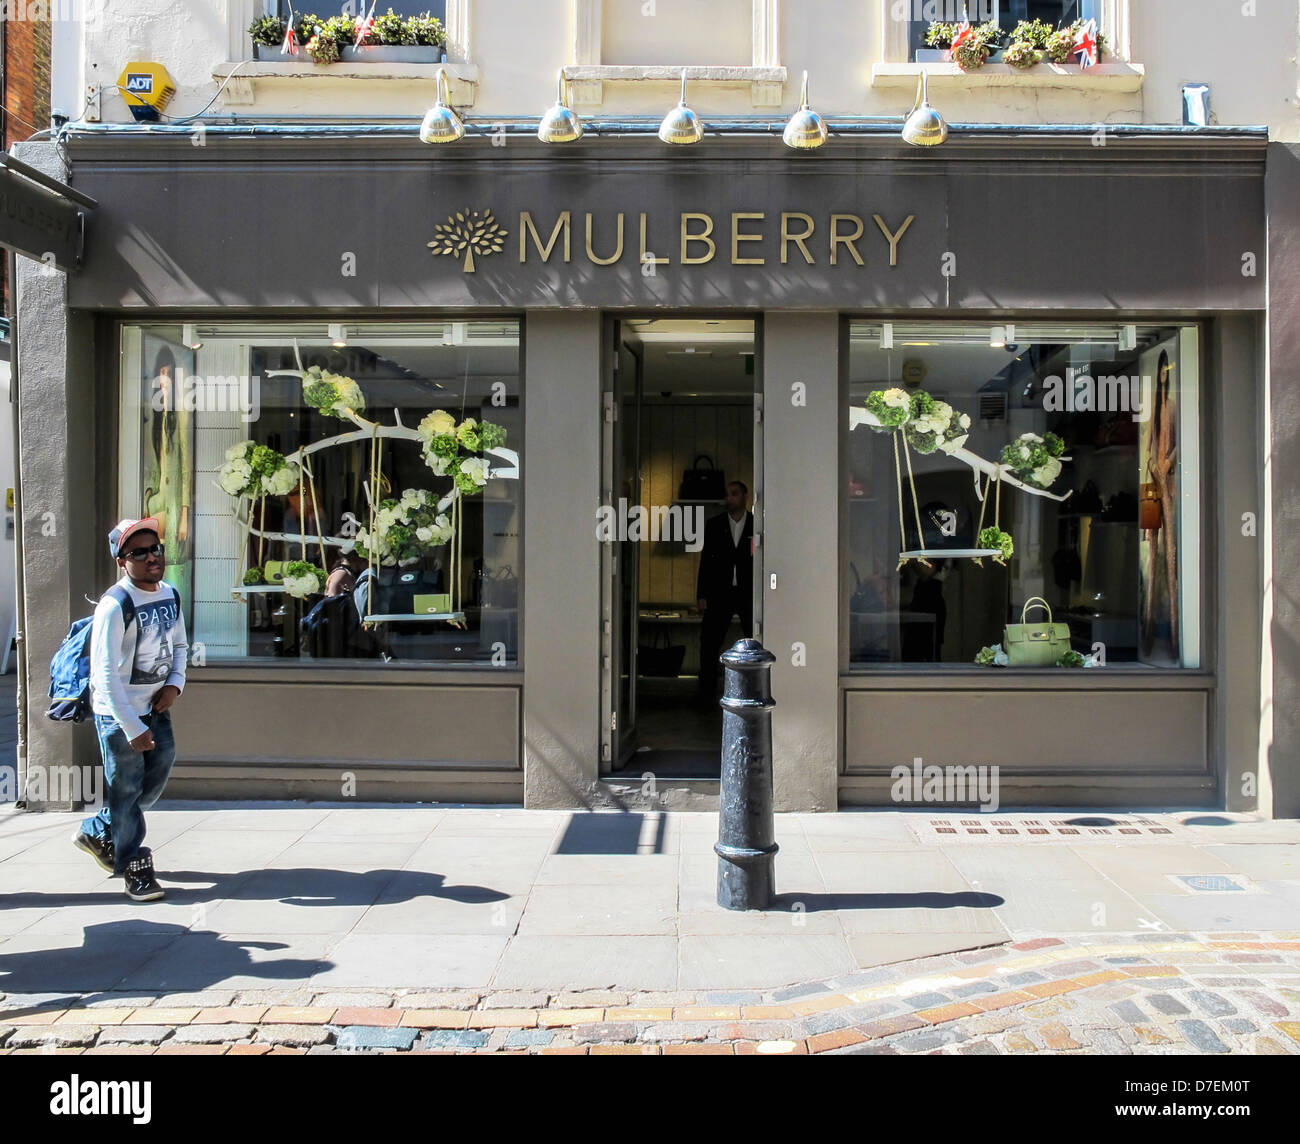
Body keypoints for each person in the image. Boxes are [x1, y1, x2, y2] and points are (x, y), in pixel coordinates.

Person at [72, 518, 188, 902]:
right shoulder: (114, 604)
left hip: (157, 708)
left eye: (156, 549)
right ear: (122, 561)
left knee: (149, 783)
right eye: (140, 553)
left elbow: (181, 646)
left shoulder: (169, 594)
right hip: (119, 716)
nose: (152, 557)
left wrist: (174, 683)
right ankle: (134, 866)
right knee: (125, 790)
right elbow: (104, 676)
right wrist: (131, 726)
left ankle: (100, 828)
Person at [695, 481, 754, 699]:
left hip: (747, 591)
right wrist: (702, 595)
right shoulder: (715, 524)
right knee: (710, 642)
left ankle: (756, 688)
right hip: (720, 591)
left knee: (756, 639)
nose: (729, 498)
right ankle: (706, 692)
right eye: (727, 494)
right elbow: (706, 562)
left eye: (734, 494)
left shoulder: (756, 525)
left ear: (745, 496)